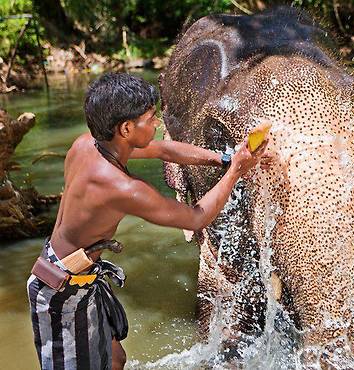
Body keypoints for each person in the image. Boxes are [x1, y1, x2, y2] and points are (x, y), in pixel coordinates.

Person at [26, 72, 271, 370]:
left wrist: (226, 158)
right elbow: (196, 218)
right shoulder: (121, 188)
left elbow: (166, 150)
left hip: (71, 272)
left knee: (115, 359)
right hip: (61, 291)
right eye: (151, 118)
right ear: (127, 128)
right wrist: (235, 172)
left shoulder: (88, 144)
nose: (157, 125)